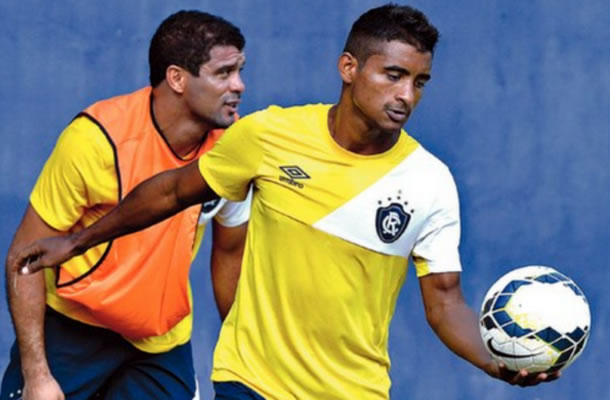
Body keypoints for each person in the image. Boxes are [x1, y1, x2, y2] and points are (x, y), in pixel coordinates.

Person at [10, 4, 560, 400]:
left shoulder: (431, 182)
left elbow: (444, 302)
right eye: (393, 75)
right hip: (248, 381)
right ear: (349, 68)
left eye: (419, 82)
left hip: (352, 388)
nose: (405, 95)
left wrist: (497, 360)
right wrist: (77, 242)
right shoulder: (267, 137)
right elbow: (174, 190)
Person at [2, 10, 250, 400]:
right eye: (224, 73)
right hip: (73, 330)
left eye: (239, 71)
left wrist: (245, 354)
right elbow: (24, 259)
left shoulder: (234, 149)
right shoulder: (96, 139)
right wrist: (37, 374)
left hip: (161, 342)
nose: (239, 85)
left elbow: (230, 253)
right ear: (177, 78)